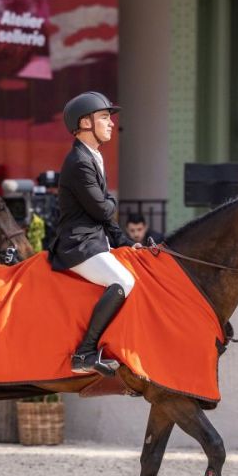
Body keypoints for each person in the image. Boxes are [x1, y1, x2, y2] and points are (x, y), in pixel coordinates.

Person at [48, 91, 141, 376]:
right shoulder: (78, 162)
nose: (111, 123)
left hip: (94, 240)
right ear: (85, 123)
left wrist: (126, 242)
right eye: (104, 117)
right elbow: (102, 210)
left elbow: (103, 213)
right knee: (123, 280)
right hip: (78, 245)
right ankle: (85, 353)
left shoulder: (94, 156)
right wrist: (111, 203)